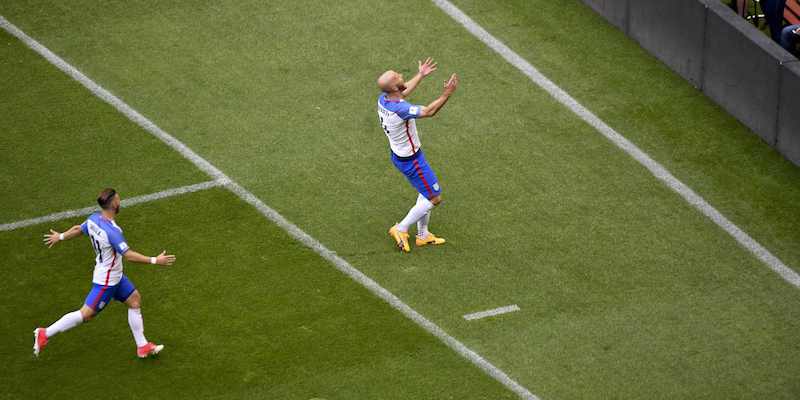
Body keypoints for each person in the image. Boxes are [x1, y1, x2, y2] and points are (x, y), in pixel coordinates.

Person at [34, 188, 175, 358]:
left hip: (114, 275)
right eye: (118, 199)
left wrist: (61, 236)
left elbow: (80, 229)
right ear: (114, 204)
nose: (120, 201)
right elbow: (129, 255)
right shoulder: (113, 232)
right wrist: (155, 260)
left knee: (135, 300)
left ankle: (142, 346)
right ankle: (44, 333)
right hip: (106, 282)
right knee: (85, 315)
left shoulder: (94, 218)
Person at [376, 58, 459, 252]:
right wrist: (446, 94)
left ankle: (423, 235)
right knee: (434, 197)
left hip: (400, 155)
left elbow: (402, 92)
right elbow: (429, 112)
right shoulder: (400, 109)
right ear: (395, 86)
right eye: (397, 75)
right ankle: (401, 228)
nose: (400, 73)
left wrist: (420, 75)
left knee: (424, 191)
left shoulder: (385, 99)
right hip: (412, 160)